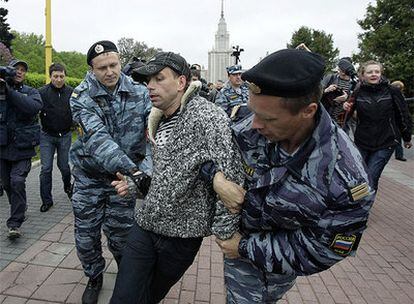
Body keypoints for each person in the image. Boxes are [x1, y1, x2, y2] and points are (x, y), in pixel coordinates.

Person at [203, 49, 376, 303]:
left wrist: (243, 247)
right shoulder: (253, 126)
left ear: (308, 111)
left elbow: (324, 248)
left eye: (267, 118)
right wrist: (217, 179)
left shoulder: (345, 178)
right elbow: (204, 152)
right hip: (235, 247)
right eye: (254, 112)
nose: (254, 125)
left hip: (267, 265)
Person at [109, 51, 243, 304]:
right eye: (148, 80)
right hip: (145, 226)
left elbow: (232, 178)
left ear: (181, 82)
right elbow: (166, 173)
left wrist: (226, 234)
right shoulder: (157, 118)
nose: (150, 86)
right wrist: (135, 185)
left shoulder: (208, 117)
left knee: (149, 297)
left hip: (181, 238)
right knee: (123, 297)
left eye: (159, 78)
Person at [69, 40, 152, 304]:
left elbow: (155, 136)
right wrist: (134, 172)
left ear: (120, 62)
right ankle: (94, 277)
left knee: (123, 238)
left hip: (123, 182)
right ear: (92, 69)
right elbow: (98, 140)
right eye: (102, 67)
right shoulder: (81, 96)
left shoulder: (140, 93)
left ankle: (126, 280)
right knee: (86, 236)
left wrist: (144, 171)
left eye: (114, 64)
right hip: (89, 178)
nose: (109, 72)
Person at [344, 61, 412, 191]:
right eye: (370, 72)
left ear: (381, 73)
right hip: (362, 141)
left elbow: (403, 115)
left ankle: (363, 209)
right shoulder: (358, 92)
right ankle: (356, 206)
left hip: (386, 141)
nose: (374, 74)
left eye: (377, 71)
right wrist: (345, 108)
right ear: (363, 75)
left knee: (372, 176)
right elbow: (346, 116)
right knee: (359, 176)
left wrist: (406, 137)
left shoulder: (392, 91)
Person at [0, 59, 42, 239]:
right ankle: (20, 206)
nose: (19, 72)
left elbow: (32, 108)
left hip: (22, 148)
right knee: (8, 184)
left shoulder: (31, 92)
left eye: (23, 70)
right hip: (3, 148)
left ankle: (14, 223)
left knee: (17, 181)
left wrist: (8, 92)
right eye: (16, 69)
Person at [38, 63, 73, 212]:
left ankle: (67, 186)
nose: (59, 79)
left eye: (61, 76)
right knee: (46, 169)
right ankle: (47, 200)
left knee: (64, 167)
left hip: (65, 135)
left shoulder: (72, 92)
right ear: (50, 76)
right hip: (47, 136)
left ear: (65, 76)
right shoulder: (41, 92)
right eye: (55, 76)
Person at [321, 57, 358, 130]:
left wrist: (346, 98)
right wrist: (326, 90)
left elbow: (355, 102)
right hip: (327, 116)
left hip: (342, 121)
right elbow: (316, 94)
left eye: (340, 69)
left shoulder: (354, 84)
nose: (338, 70)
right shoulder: (331, 78)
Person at [390, 80, 408, 161]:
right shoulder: (398, 96)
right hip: (394, 120)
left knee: (397, 138)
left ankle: (399, 154)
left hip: (395, 120)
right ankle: (399, 154)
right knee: (397, 138)